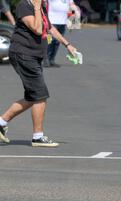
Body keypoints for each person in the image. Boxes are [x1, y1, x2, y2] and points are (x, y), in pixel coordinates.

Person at [0, 0, 79, 147]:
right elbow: (36, 28)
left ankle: (1, 122)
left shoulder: (41, 6)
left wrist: (67, 45)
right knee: (40, 95)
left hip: (33, 56)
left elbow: (49, 28)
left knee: (32, 97)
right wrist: (36, 8)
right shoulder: (25, 6)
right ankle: (38, 136)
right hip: (23, 54)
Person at [45, 0, 80, 67]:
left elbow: (72, 7)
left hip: (62, 22)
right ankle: (46, 59)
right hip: (51, 22)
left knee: (58, 42)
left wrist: (73, 21)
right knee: (49, 41)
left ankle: (52, 60)